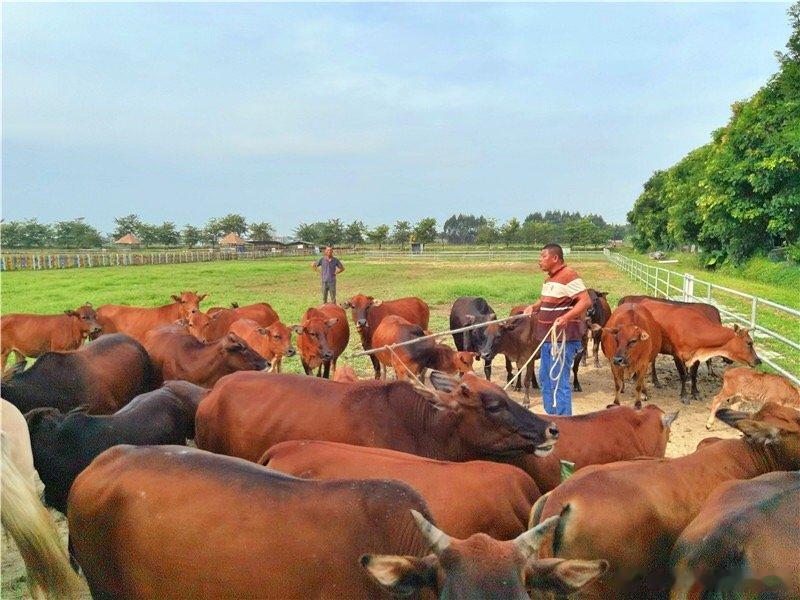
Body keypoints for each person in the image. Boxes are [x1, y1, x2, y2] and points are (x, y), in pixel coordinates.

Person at [523, 243, 591, 415]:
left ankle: (565, 422)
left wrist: (566, 317)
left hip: (562, 340)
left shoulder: (569, 275)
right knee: (545, 379)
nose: (540, 260)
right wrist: (534, 307)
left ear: (555, 258)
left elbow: (585, 301)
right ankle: (553, 416)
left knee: (559, 381)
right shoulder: (549, 280)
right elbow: (545, 300)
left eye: (543, 256)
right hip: (547, 338)